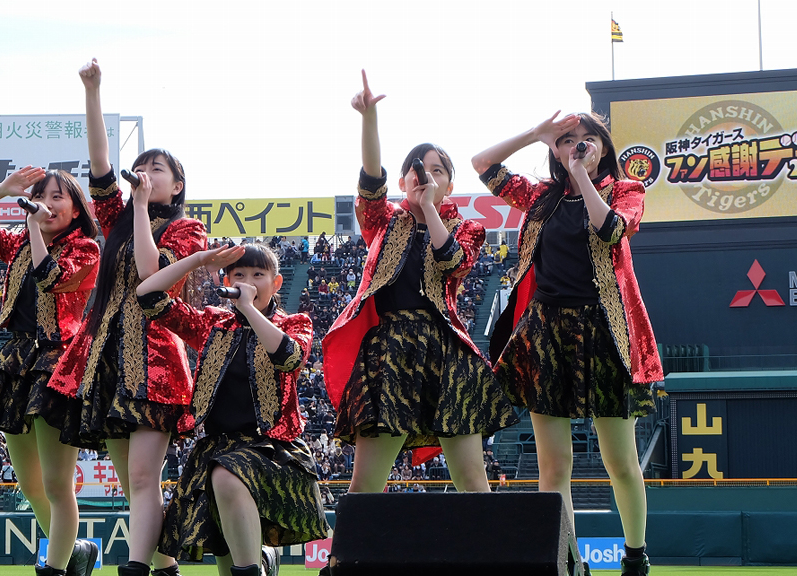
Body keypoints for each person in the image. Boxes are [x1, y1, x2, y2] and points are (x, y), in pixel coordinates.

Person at [319, 71, 517, 573]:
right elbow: (370, 180)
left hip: (446, 353)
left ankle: (494, 562)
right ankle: (345, 564)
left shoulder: (466, 226)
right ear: (403, 180)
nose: (424, 176)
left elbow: (453, 263)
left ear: (450, 183)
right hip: (388, 353)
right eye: (416, 170)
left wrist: (429, 209)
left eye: (437, 170)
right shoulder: (383, 220)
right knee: (367, 482)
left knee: (472, 479)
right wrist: (370, 119)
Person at [471, 111, 664, 576]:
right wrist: (535, 134)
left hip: (605, 332)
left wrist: (582, 175)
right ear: (554, 151)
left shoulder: (626, 190)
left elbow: (611, 229)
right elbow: (482, 164)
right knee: (554, 466)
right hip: (546, 334)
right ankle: (568, 560)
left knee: (620, 461)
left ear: (604, 146)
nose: (577, 145)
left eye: (587, 138)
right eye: (567, 140)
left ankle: (635, 556)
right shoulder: (541, 197)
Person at [47, 58, 207, 576]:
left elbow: (150, 275)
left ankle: (138, 568)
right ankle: (164, 567)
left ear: (178, 185)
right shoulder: (117, 214)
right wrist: (92, 91)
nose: (146, 173)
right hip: (108, 358)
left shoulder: (188, 230)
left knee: (142, 479)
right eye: (142, 166)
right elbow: (99, 163)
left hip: (156, 363)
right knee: (135, 482)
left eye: (158, 169)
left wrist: (139, 208)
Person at [136, 243, 329, 576]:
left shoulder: (296, 322)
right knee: (225, 552)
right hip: (216, 449)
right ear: (227, 281)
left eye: (258, 275)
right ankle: (260, 563)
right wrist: (198, 260)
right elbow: (148, 295)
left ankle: (257, 563)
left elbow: (289, 358)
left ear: (277, 283)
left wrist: (249, 309)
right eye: (239, 274)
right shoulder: (213, 324)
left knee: (226, 475)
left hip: (272, 450)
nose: (248, 282)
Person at [0, 167, 101, 576]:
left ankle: (54, 569)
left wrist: (34, 227)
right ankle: (76, 551)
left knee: (56, 484)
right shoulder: (18, 242)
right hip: (17, 361)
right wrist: (3, 189)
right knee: (31, 487)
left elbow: (50, 277)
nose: (46, 205)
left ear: (75, 209)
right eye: (40, 196)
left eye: (57, 197)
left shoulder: (85, 248)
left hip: (58, 363)